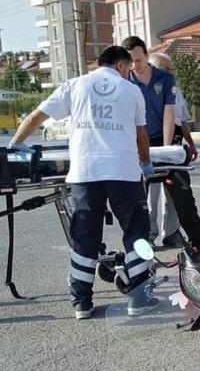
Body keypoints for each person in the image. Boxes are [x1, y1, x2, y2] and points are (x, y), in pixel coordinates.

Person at [6, 46, 159, 319]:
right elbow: (141, 138)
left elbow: (34, 118)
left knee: (85, 237)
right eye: (128, 69)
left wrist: (12, 150)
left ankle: (82, 303)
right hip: (123, 172)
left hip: (85, 173)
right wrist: (146, 166)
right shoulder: (131, 90)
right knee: (136, 233)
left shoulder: (74, 86)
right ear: (122, 66)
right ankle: (139, 297)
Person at [122, 36, 200, 257]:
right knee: (137, 200)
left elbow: (170, 114)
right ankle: (140, 248)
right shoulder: (124, 83)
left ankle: (199, 244)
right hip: (138, 142)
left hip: (165, 139)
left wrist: (165, 151)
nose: (136, 66)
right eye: (131, 61)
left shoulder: (165, 78)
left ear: (146, 55)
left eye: (139, 60)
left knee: (183, 197)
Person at [147, 52, 198, 249]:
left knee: (175, 194)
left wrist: (191, 143)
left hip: (174, 148)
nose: (170, 73)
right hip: (151, 147)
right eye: (165, 69)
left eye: (171, 69)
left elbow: (182, 119)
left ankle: (171, 233)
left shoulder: (174, 90)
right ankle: (148, 235)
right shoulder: (142, 91)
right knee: (150, 195)